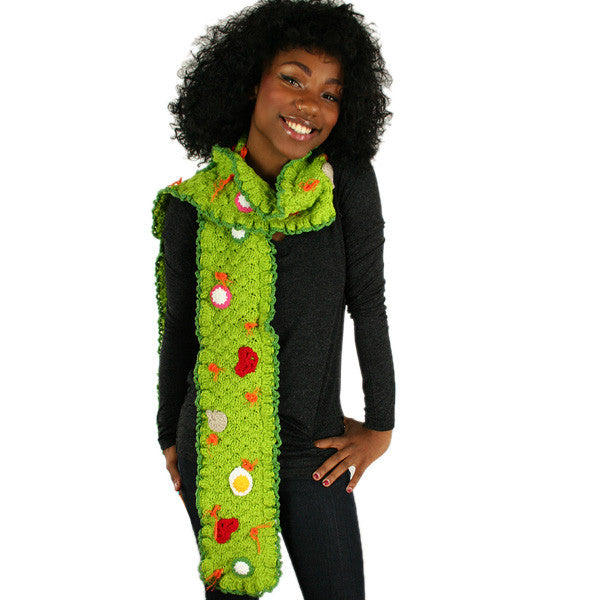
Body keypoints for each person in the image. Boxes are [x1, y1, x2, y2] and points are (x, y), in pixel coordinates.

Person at [152, 1, 396, 598]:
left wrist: (380, 425)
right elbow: (179, 329)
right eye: (292, 79)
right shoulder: (194, 205)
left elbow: (368, 303)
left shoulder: (343, 183)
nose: (310, 105)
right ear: (251, 81)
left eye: (330, 94)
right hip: (217, 435)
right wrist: (168, 435)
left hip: (313, 448)